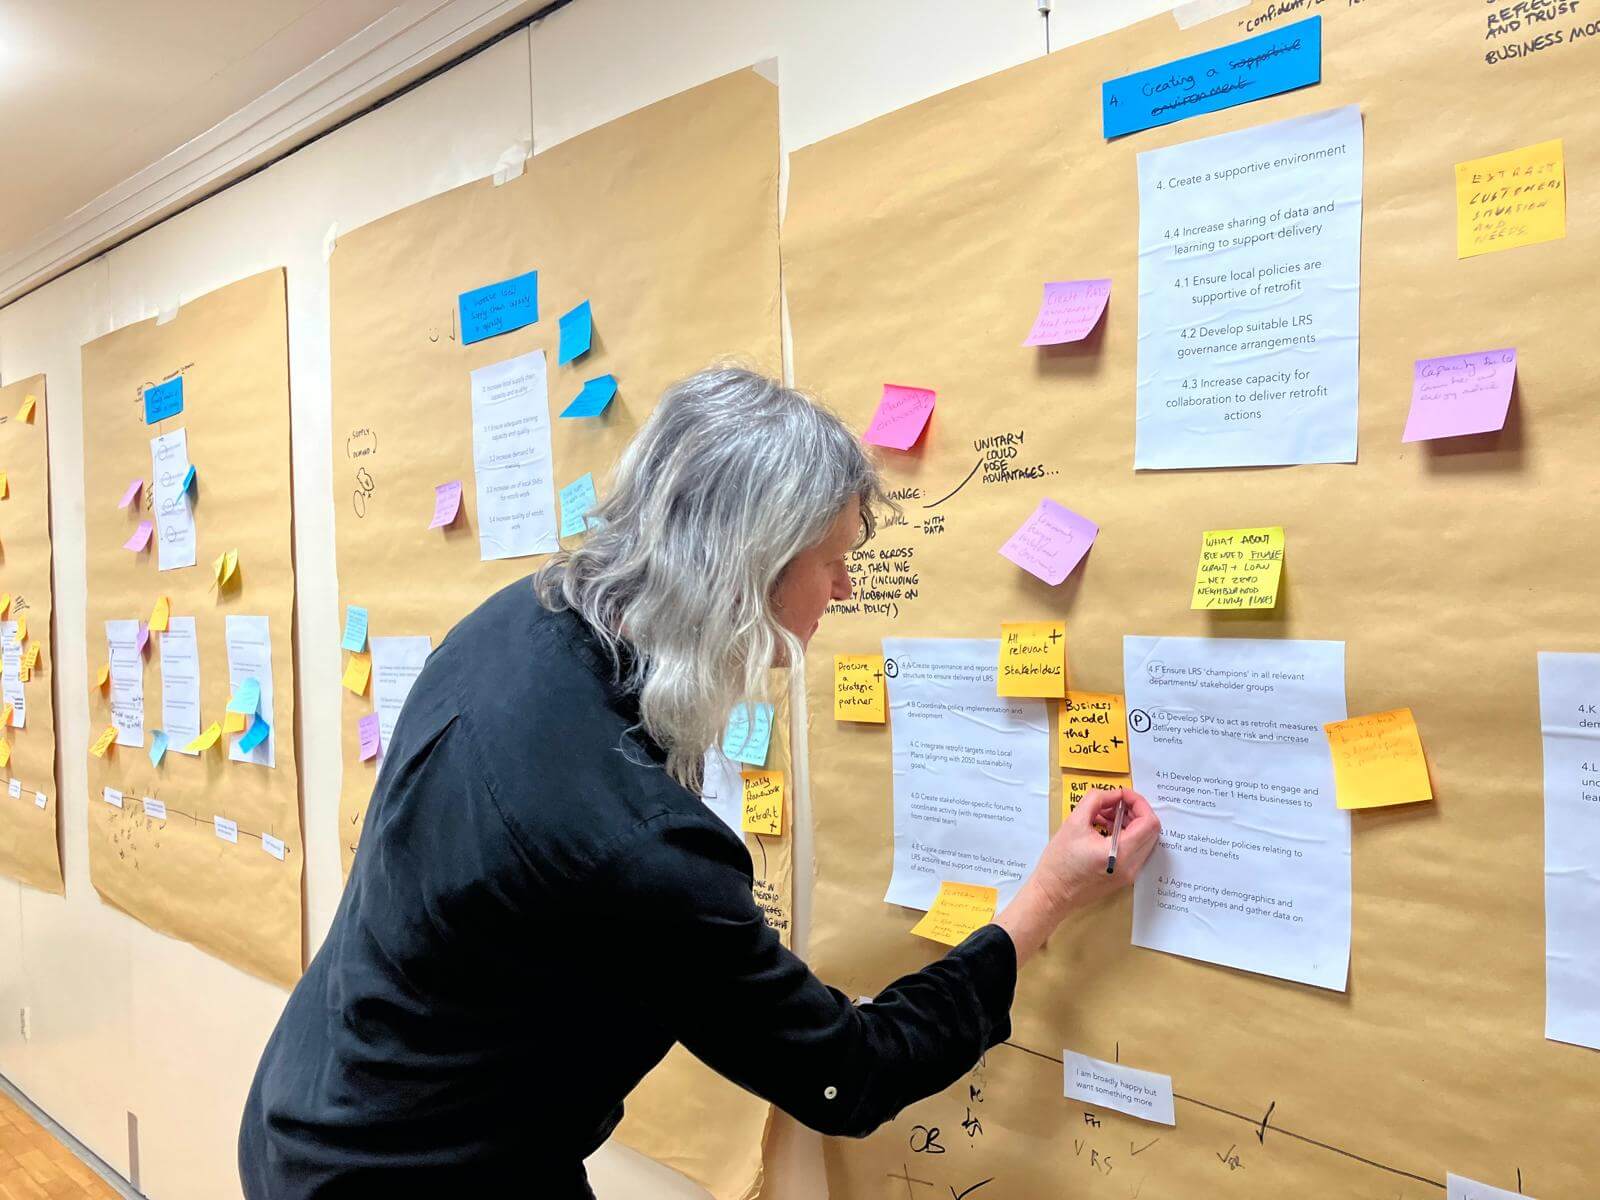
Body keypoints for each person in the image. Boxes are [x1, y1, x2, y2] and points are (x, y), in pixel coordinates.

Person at [238, 366, 1160, 1198]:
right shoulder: (638, 846)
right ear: (750, 573)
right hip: (411, 1172)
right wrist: (1047, 897)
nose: (845, 589)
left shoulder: (519, 619)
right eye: (834, 561)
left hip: (314, 1103)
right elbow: (849, 1073)